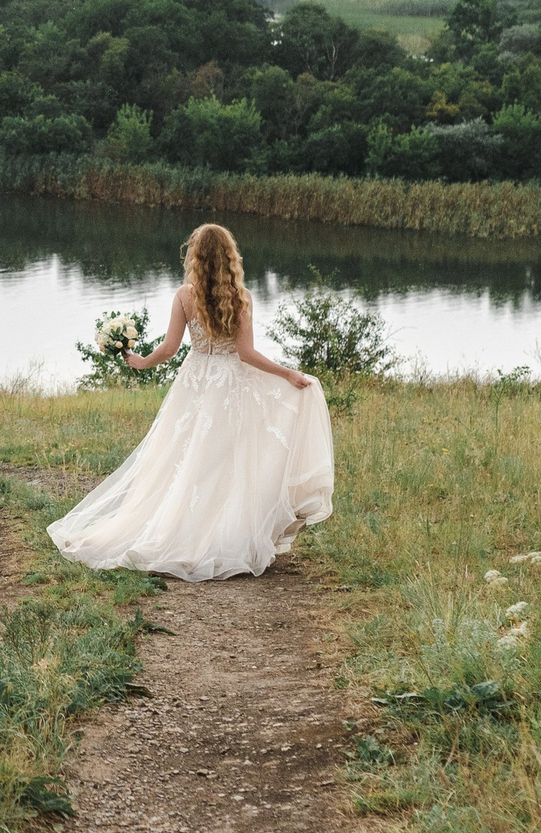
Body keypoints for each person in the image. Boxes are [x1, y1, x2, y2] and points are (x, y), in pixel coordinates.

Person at [48, 223, 335, 581]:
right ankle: (222, 537)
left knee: (185, 458)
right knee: (226, 460)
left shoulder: (185, 296)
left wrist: (141, 361)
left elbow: (170, 349)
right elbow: (246, 354)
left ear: (195, 257)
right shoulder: (241, 296)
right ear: (229, 256)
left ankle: (188, 533)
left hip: (196, 382)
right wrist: (287, 373)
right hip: (230, 384)